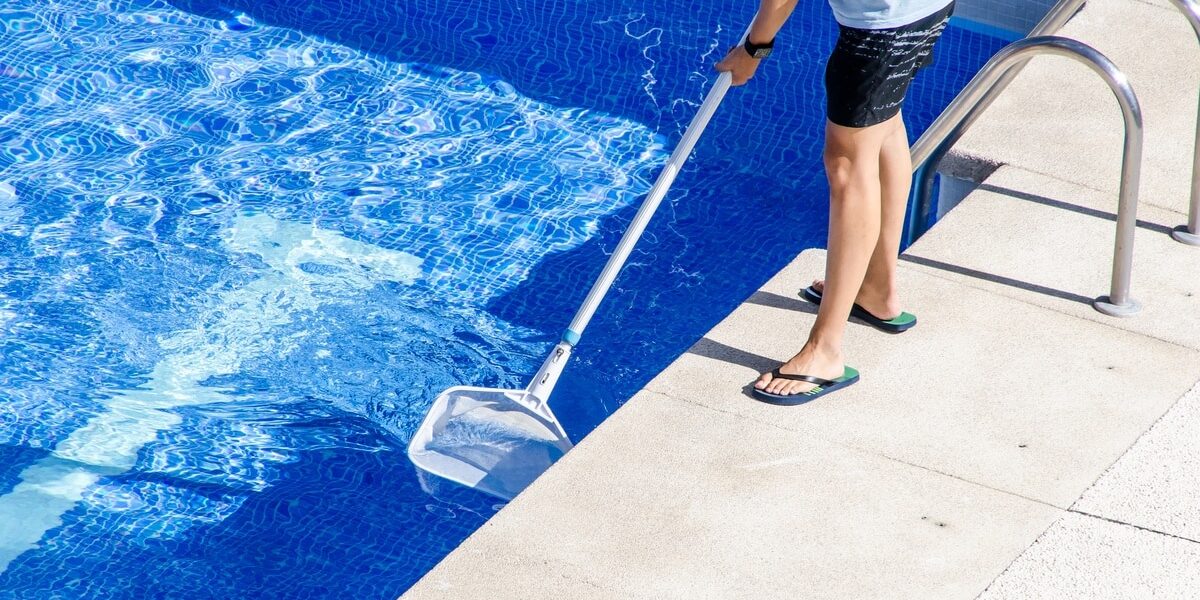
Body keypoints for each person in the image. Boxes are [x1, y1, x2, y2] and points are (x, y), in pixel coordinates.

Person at [716, 0, 954, 403]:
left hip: (879, 27)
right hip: (924, 9)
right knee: (884, 126)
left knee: (846, 163)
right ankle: (878, 289)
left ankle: (825, 350)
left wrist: (755, 48)